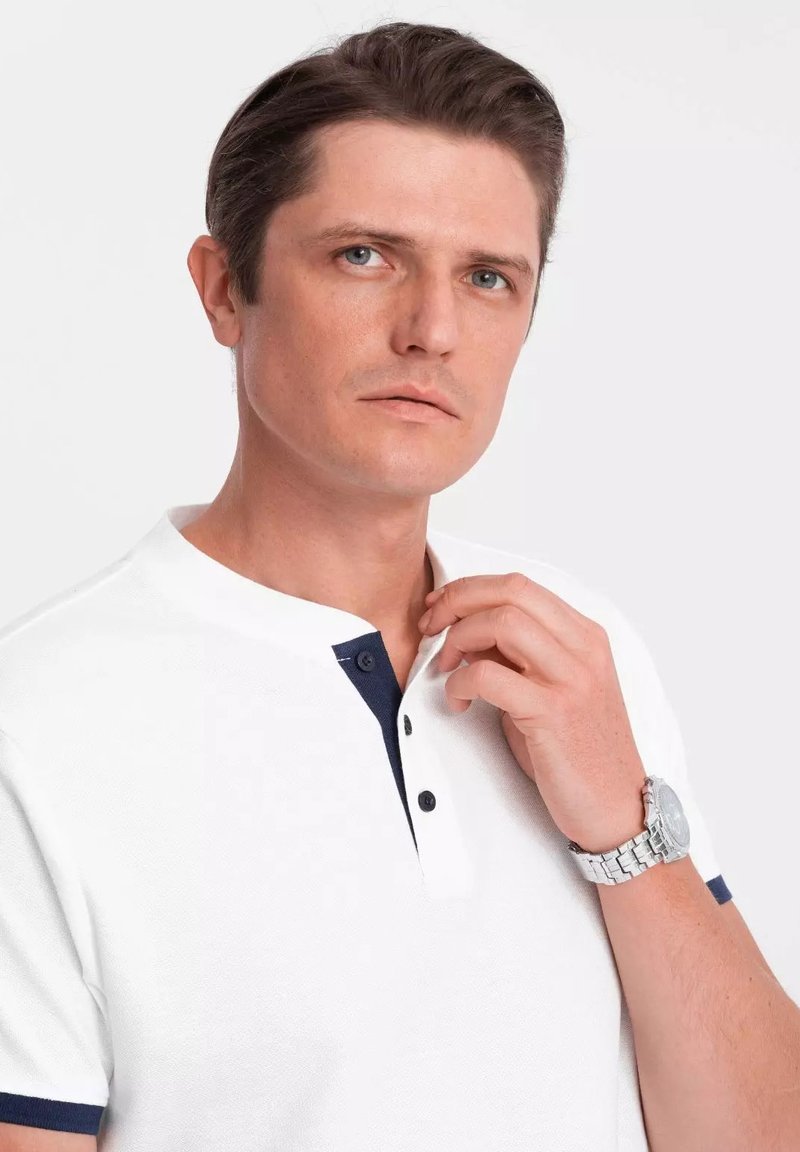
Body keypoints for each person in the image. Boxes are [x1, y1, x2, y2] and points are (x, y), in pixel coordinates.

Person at [0, 20, 773, 1152]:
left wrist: (625, 827)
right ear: (224, 289)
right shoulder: (40, 725)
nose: (433, 330)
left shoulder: (576, 657)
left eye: (487, 277)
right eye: (364, 256)